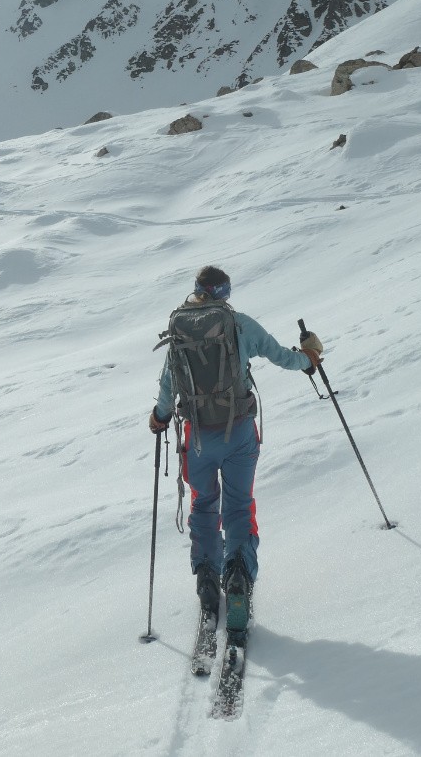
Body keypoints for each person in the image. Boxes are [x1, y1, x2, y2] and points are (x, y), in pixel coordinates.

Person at [147, 265, 324, 630]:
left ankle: (208, 579)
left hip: (196, 438)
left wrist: (159, 417)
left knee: (204, 505)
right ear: (224, 292)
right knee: (240, 505)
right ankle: (240, 573)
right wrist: (309, 359)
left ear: (196, 291)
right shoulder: (239, 324)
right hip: (240, 432)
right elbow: (280, 355)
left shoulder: (180, 331)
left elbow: (169, 384)